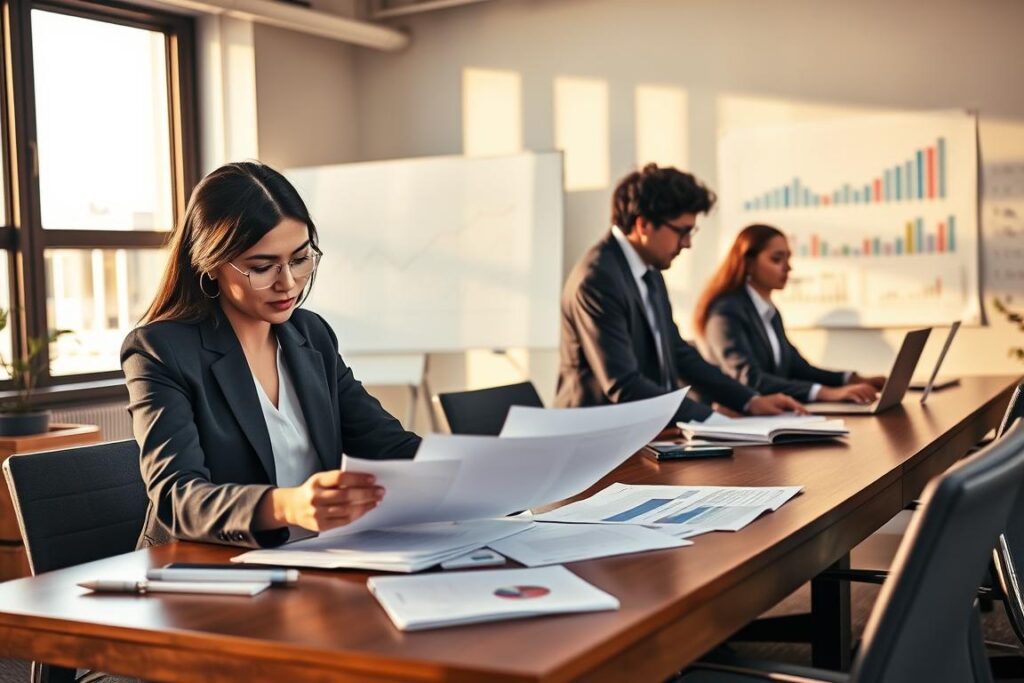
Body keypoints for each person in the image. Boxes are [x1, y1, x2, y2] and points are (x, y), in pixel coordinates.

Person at [121, 161, 420, 549]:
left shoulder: (311, 334)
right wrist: (287, 506)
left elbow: (386, 444)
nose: (288, 283)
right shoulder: (159, 350)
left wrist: (474, 471)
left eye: (300, 259)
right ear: (211, 266)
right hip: (204, 572)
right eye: (262, 267)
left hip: (315, 558)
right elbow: (177, 498)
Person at [555, 163, 804, 423]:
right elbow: (624, 384)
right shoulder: (598, 278)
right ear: (643, 226)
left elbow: (678, 353)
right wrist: (712, 419)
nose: (687, 243)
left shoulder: (648, 270)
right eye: (682, 231)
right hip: (594, 438)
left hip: (641, 432)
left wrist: (749, 400)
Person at [694, 224, 885, 403]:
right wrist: (824, 393)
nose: (788, 267)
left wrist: (850, 379)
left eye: (788, 258)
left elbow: (796, 368)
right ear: (749, 263)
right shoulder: (725, 312)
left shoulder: (769, 312)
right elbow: (748, 378)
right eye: (777, 259)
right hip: (734, 420)